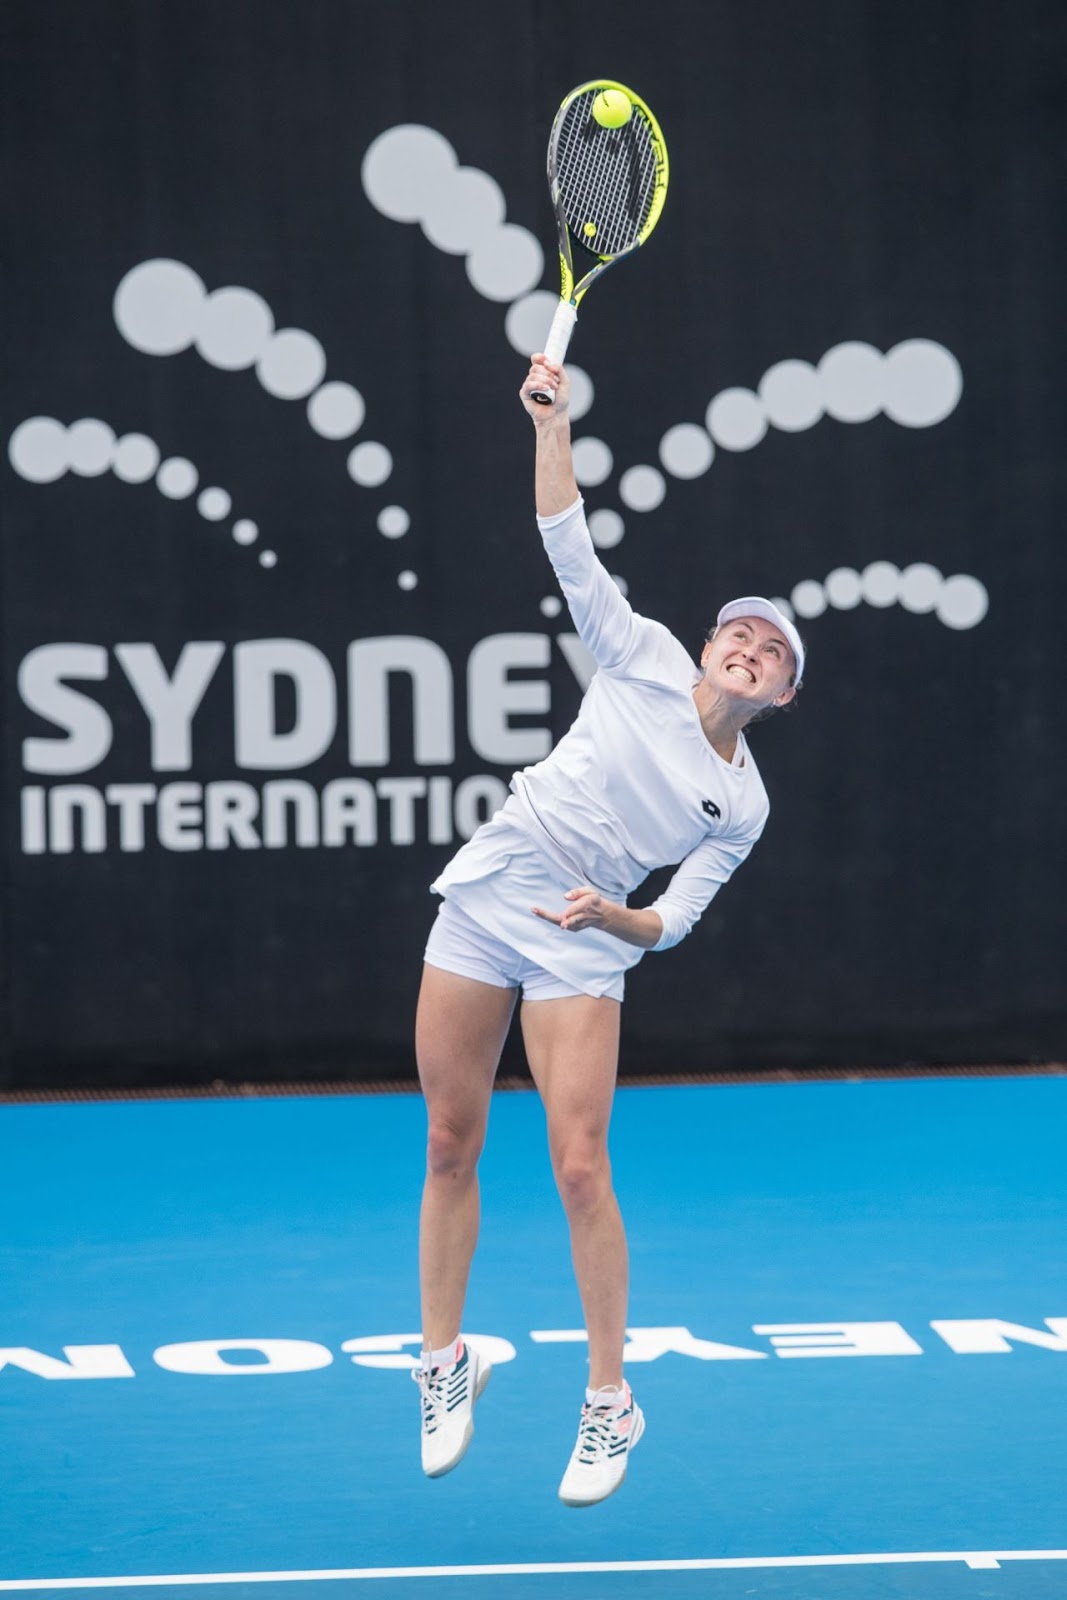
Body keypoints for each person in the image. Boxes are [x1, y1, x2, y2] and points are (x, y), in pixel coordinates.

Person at [412, 353, 805, 1507]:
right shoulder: (637, 654)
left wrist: (615, 915)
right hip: (495, 884)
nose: (745, 646)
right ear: (708, 641)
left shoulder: (742, 802)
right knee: (449, 1139)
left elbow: (672, 919)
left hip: (586, 933)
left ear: (781, 695)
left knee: (579, 1165)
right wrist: (551, 424)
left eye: (770, 652)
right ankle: (442, 1362)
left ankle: (607, 1400)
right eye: (737, 632)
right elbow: (566, 541)